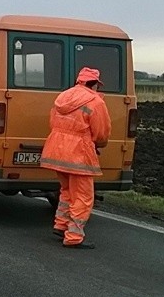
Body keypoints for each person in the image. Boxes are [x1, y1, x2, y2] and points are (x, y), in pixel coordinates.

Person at [40, 67, 112, 249]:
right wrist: (95, 144)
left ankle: (61, 225)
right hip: (79, 154)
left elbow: (53, 122)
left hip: (57, 150)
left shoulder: (63, 97)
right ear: (94, 83)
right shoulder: (95, 102)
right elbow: (101, 132)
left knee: (66, 191)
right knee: (83, 196)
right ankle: (73, 237)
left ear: (80, 81)